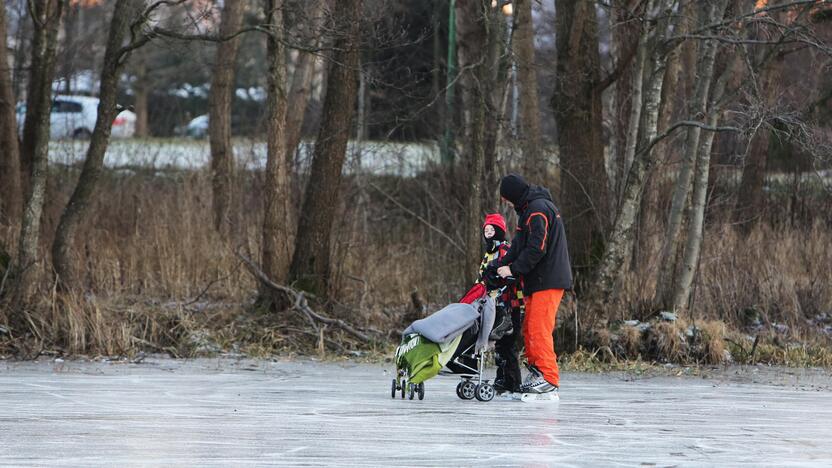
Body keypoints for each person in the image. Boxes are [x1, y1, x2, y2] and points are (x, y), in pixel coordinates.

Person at [492, 173, 572, 400]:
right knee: (529, 328)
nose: (506, 203)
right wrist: (500, 264)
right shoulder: (528, 210)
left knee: (538, 328)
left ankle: (548, 378)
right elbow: (519, 245)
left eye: (506, 199)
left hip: (548, 279)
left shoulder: (537, 210)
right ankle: (538, 372)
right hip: (537, 281)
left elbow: (537, 248)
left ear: (513, 195)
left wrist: (513, 269)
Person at [458, 213, 524, 396]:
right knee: (498, 345)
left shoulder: (505, 249)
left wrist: (498, 279)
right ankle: (502, 380)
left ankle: (513, 383)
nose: (487, 233)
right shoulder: (488, 253)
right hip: (490, 304)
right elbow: (482, 279)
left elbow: (511, 274)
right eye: (485, 230)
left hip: (509, 304)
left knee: (507, 345)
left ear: (499, 231)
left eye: (491, 229)